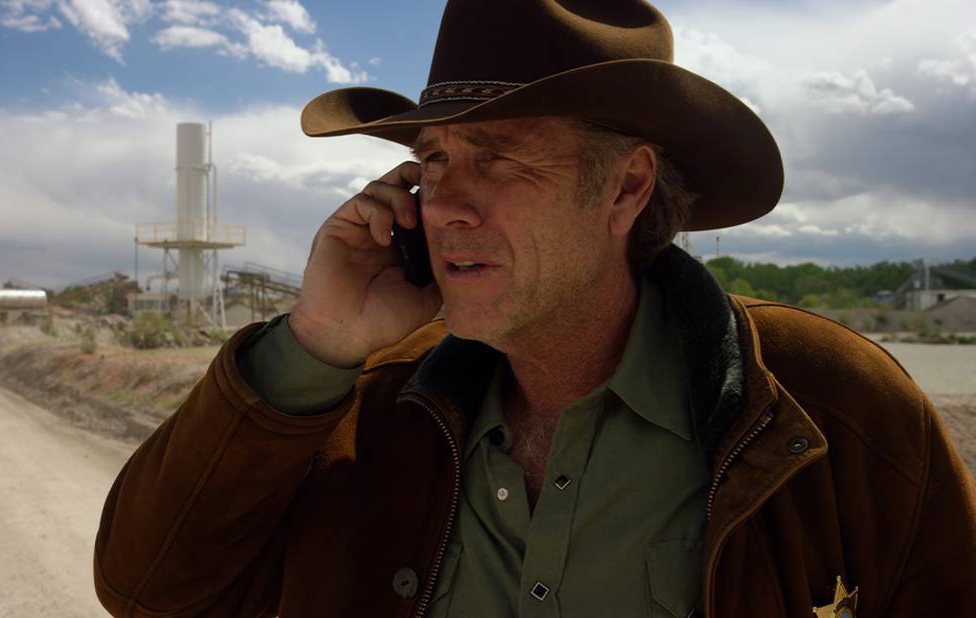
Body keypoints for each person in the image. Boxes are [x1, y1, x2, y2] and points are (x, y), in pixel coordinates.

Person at [94, 1, 976, 616]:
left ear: (626, 185)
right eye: (432, 162)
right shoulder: (362, 402)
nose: (445, 206)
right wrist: (315, 346)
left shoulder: (827, 408)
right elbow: (147, 593)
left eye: (499, 158)